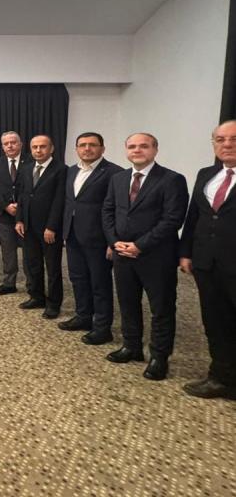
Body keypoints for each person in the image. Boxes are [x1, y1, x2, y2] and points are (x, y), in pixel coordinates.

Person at [102, 133, 188, 381]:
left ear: (155, 150)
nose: (137, 150)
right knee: (128, 302)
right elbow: (108, 210)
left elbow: (172, 219)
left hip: (156, 256)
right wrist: (113, 240)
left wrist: (140, 245)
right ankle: (131, 346)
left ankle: (159, 357)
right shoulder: (118, 179)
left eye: (143, 146)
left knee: (161, 308)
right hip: (122, 254)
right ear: (126, 150)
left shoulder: (172, 179)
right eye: (132, 146)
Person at [180, 120, 236, 399]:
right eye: (220, 139)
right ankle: (221, 377)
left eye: (234, 139)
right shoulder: (207, 174)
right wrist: (185, 252)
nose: (227, 144)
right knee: (215, 322)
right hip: (206, 263)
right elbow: (194, 216)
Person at [58, 132, 123, 345]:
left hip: (98, 239)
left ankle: (103, 328)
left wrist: (112, 241)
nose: (87, 149)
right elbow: (69, 202)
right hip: (73, 235)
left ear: (102, 149)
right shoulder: (71, 171)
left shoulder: (114, 173)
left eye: (92, 145)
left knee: (99, 283)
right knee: (78, 278)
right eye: (82, 145)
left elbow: (116, 210)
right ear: (76, 149)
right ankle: (83, 317)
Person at [15, 135, 66, 319]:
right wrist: (19, 220)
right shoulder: (26, 168)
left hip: (49, 229)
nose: (38, 150)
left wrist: (52, 226)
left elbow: (60, 200)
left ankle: (53, 304)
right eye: (35, 147)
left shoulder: (61, 169)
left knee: (52, 268)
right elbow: (22, 196)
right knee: (33, 264)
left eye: (42, 146)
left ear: (51, 149)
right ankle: (36, 297)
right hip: (28, 226)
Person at [0, 131, 29, 295]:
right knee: (8, 250)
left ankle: (32, 284)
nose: (10, 146)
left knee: (29, 251)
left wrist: (20, 206)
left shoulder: (31, 161)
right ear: (2, 147)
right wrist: (5, 206)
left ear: (20, 144)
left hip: (26, 215)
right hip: (5, 214)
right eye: (6, 144)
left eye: (13, 142)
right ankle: (9, 283)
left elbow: (33, 187)